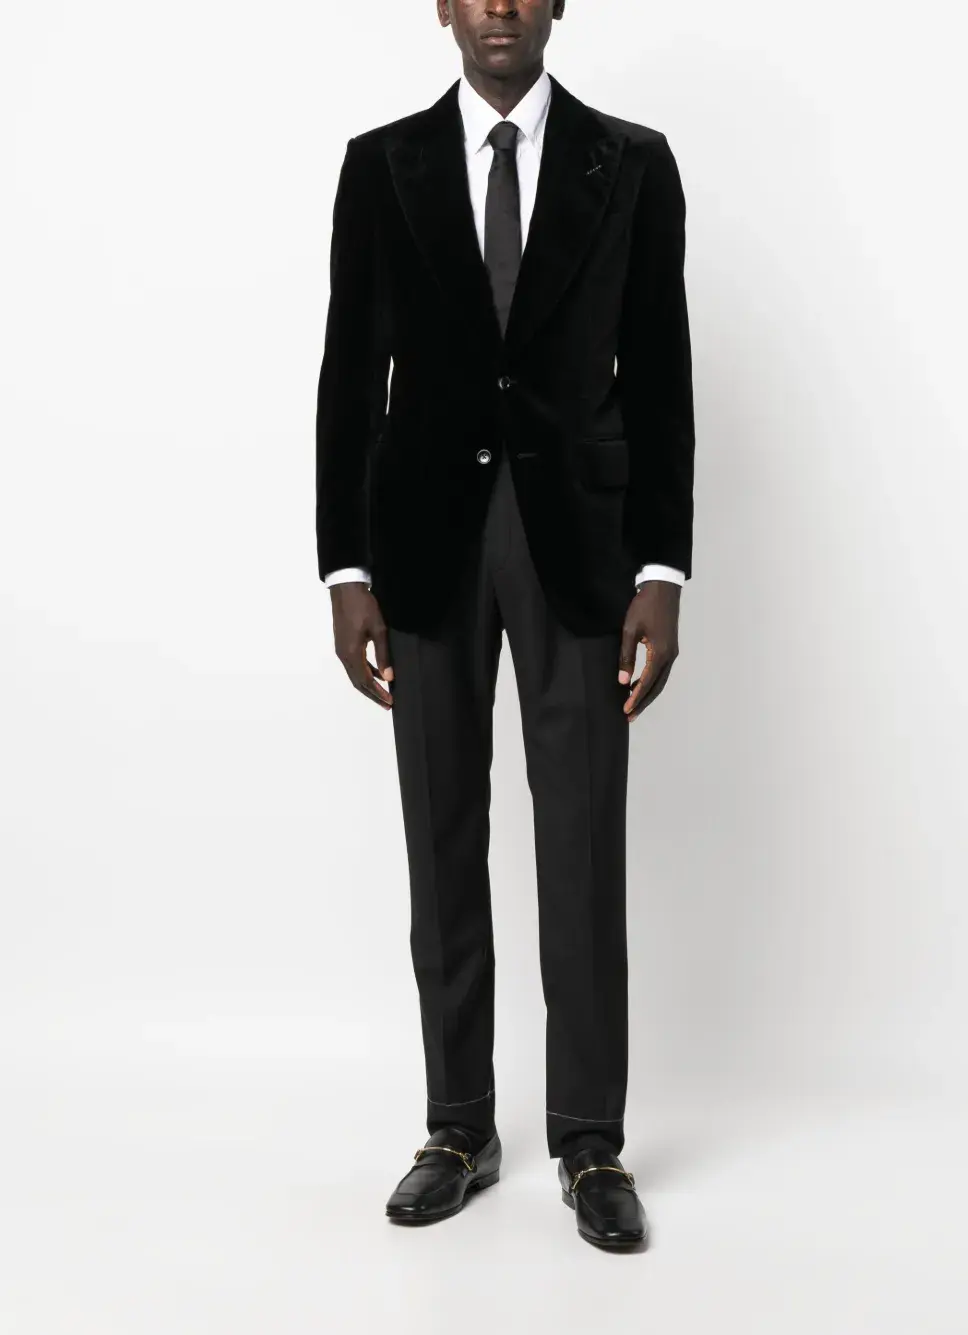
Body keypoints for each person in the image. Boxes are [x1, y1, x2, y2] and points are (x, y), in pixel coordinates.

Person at [315, 0, 694, 1250]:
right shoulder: (382, 167)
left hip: (578, 549)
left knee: (582, 839)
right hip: (423, 545)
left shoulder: (629, 163)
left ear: (556, 2)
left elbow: (660, 369)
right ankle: (458, 1129)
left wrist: (661, 568)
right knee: (441, 835)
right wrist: (345, 568)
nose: (499, 6)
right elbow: (348, 372)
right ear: (443, 4)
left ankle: (589, 1144)